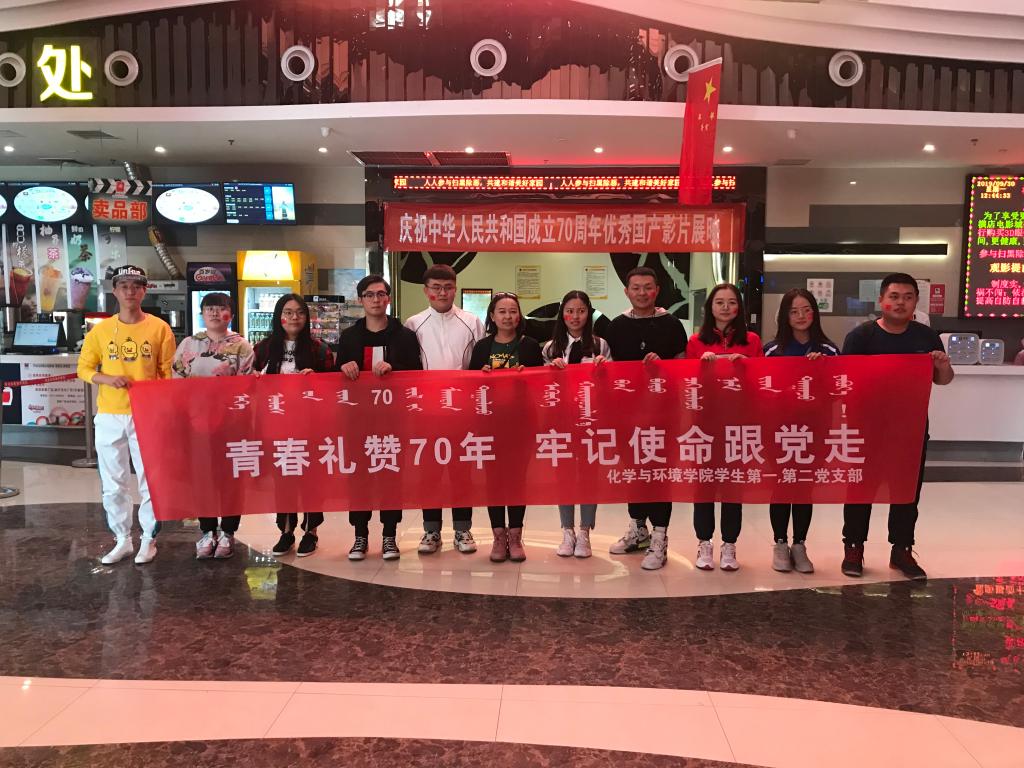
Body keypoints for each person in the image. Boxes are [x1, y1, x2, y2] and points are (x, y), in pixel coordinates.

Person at [840, 273, 953, 581]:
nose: (900, 302)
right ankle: (853, 547)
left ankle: (901, 550)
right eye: (894, 296)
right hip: (866, 428)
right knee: (860, 488)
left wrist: (943, 365)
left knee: (907, 491)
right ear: (881, 300)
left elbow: (943, 380)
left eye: (907, 297)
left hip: (910, 429)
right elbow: (845, 380)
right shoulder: (861, 337)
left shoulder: (926, 337)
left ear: (916, 302)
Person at [77, 265, 176, 565]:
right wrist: (108, 379)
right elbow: (84, 369)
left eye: (136, 286)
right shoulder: (101, 331)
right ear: (115, 291)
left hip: (148, 415)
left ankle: (148, 539)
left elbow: (167, 373)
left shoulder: (160, 329)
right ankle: (122, 539)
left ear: (145, 290)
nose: (130, 291)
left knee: (150, 479)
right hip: (110, 414)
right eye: (124, 286)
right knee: (113, 481)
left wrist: (162, 408)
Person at [603, 266, 687, 570]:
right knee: (634, 473)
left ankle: (660, 537)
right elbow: (609, 368)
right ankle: (638, 529)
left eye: (648, 287)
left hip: (663, 414)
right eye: (636, 288)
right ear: (626, 292)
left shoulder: (672, 324)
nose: (642, 293)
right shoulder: (616, 326)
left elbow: (683, 368)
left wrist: (664, 366)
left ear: (657, 290)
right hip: (627, 414)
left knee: (659, 475)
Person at [338, 275, 422, 561]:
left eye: (380, 294)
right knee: (358, 477)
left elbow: (416, 372)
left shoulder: (404, 335)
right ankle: (360, 534)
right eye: (369, 295)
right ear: (360, 299)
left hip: (393, 421)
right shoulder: (349, 337)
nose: (376, 300)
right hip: (357, 420)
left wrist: (394, 368)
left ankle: (389, 535)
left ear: (388, 298)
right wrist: (344, 367)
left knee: (391, 476)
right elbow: (336, 376)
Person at [404, 264, 486, 555]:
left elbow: (481, 366)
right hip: (427, 413)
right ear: (425, 291)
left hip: (463, 412)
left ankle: (463, 529)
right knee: (430, 473)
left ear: (455, 288)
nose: (442, 293)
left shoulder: (472, 322)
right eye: (436, 288)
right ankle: (431, 531)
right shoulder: (413, 324)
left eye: (448, 287)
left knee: (462, 473)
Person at [172, 292, 255, 560]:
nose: (215, 313)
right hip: (197, 423)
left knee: (232, 479)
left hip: (231, 424)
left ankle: (228, 531)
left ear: (231, 314)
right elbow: (177, 379)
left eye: (221, 308)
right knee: (202, 478)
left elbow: (247, 385)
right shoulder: (189, 344)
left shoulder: (242, 346)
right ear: (202, 313)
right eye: (209, 308)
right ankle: (207, 531)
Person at [686, 283, 763, 572]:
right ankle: (704, 543)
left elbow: (762, 379)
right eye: (720, 302)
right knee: (704, 485)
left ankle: (729, 545)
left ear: (739, 308)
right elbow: (688, 383)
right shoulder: (696, 342)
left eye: (731, 302)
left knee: (733, 486)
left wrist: (747, 365)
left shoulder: (752, 340)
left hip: (738, 424)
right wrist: (701, 367)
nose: (726, 307)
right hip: (705, 424)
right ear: (710, 307)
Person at [253, 293, 336, 558]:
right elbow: (248, 384)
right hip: (276, 427)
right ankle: (286, 531)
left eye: (299, 312)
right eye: (288, 312)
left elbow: (334, 389)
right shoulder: (264, 349)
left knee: (312, 480)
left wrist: (318, 379)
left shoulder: (319, 349)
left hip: (311, 427)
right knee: (283, 480)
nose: (294, 318)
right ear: (279, 316)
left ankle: (311, 531)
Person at [763, 288, 839, 574]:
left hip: (815, 430)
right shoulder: (773, 350)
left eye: (806, 310)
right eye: (794, 311)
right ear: (785, 315)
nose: (801, 316)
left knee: (805, 487)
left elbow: (838, 390)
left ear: (815, 313)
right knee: (782, 484)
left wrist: (822, 371)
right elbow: (763, 389)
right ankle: (780, 544)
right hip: (779, 430)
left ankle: (800, 544)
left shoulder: (829, 350)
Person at [469, 291, 543, 562]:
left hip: (522, 423)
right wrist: (482, 377)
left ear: (519, 316)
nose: (508, 316)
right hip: (490, 424)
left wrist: (527, 378)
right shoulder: (481, 347)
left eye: (513, 311)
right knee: (494, 480)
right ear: (492, 316)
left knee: (517, 479)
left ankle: (516, 535)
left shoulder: (530, 346)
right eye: (502, 311)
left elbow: (543, 385)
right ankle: (498, 536)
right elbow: (470, 386)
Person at [542, 290, 612, 558]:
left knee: (589, 475)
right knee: (564, 476)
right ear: (562, 314)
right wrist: (551, 370)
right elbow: (542, 387)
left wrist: (604, 369)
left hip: (590, 421)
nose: (575, 316)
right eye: (570, 311)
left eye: (581, 311)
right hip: (561, 421)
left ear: (589, 313)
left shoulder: (600, 345)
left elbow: (611, 385)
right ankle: (567, 531)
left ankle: (585, 532)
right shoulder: (550, 348)